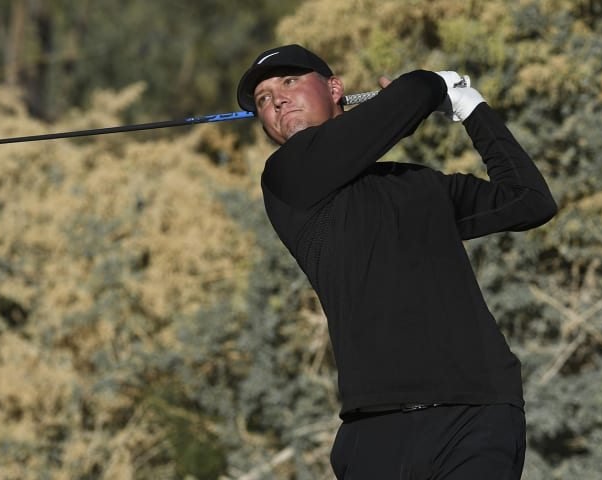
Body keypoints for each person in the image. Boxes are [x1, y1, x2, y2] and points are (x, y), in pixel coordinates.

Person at [236, 44, 557, 479]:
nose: (276, 99)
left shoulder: (418, 185)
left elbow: (528, 200)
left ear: (335, 89)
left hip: (475, 415)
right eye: (263, 99)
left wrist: (471, 107)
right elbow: (411, 96)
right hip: (374, 432)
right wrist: (433, 85)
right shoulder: (286, 178)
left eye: (289, 82)